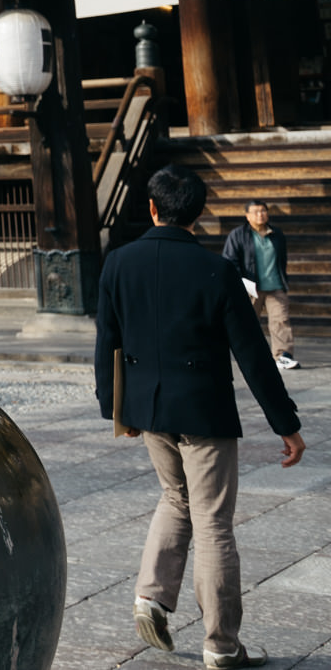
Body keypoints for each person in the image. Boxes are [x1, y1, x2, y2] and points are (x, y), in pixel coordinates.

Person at [95, 164, 305, 670]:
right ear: (199, 213)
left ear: (152, 208)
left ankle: (150, 594)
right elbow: (253, 355)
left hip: (148, 410)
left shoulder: (118, 263)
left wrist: (114, 410)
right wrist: (286, 424)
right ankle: (222, 644)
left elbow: (107, 342)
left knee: (176, 497)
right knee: (213, 521)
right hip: (203, 411)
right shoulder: (217, 272)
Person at [223, 201, 295, 371]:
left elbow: (281, 259)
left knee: (281, 321)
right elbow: (230, 260)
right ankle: (249, 356)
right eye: (255, 212)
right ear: (247, 216)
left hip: (275, 286)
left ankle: (283, 355)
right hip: (250, 288)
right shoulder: (238, 235)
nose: (260, 214)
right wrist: (240, 282)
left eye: (263, 211)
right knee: (248, 323)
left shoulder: (276, 234)